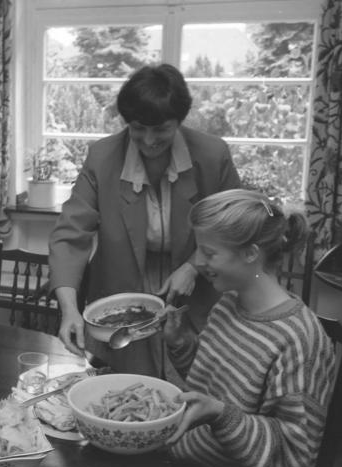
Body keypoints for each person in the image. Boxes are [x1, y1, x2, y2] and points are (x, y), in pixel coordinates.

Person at [49, 63, 241, 378]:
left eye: (161, 129)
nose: (149, 140)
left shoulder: (212, 155)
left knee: (190, 391)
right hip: (120, 292)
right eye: (138, 128)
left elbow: (233, 225)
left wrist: (193, 266)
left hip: (198, 290)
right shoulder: (102, 156)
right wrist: (69, 309)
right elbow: (71, 235)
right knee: (124, 392)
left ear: (179, 121)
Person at [163, 189, 336, 467]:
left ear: (250, 254)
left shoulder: (299, 340)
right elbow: (208, 386)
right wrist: (181, 343)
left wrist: (221, 416)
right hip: (182, 458)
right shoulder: (229, 303)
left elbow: (295, 457)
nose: (199, 263)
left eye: (208, 252)